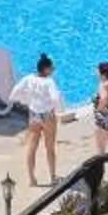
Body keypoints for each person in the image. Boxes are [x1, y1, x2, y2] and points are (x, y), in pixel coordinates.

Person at [14, 53, 64, 186]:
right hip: (47, 115)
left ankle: (32, 179)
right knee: (50, 147)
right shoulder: (49, 82)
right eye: (52, 68)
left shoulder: (29, 78)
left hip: (34, 114)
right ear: (46, 69)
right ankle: (53, 177)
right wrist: (60, 110)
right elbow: (55, 98)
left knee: (32, 146)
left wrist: (26, 101)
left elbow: (15, 92)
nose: (53, 70)